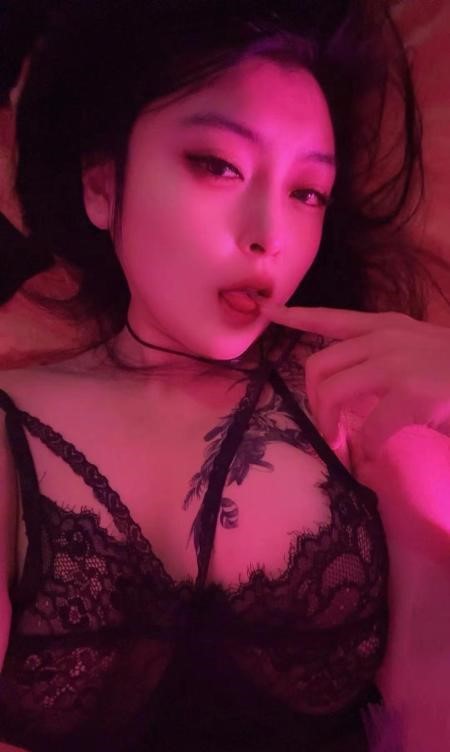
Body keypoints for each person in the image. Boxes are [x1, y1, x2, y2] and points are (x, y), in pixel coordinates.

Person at [0, 0, 449, 750]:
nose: (269, 237)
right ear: (103, 187)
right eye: (217, 165)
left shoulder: (358, 404)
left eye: (307, 193)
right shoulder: (11, 427)